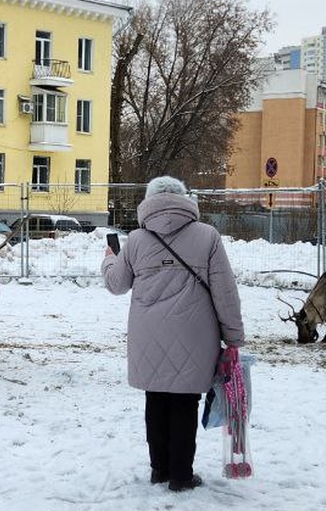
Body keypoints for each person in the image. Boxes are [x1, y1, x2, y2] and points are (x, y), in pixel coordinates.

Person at [101, 176, 245, 492]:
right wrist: (233, 337)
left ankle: (159, 470)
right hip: (195, 334)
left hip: (147, 334)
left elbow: (116, 284)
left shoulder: (137, 240)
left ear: (149, 202)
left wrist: (109, 260)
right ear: (185, 199)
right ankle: (181, 475)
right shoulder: (207, 236)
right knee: (184, 402)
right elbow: (225, 293)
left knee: (155, 399)